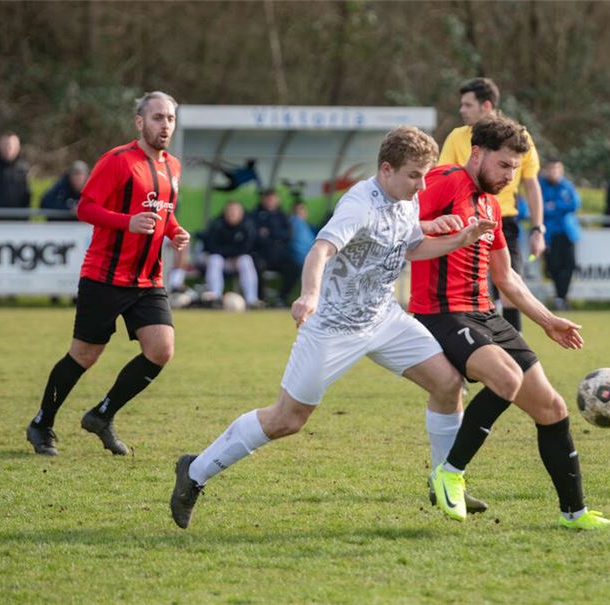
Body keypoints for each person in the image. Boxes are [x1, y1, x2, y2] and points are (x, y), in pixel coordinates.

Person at [168, 126, 497, 529]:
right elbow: (320, 250)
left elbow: (411, 247)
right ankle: (195, 471)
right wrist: (309, 295)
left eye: (425, 175)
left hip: (384, 319)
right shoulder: (359, 205)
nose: (422, 185)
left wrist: (460, 239)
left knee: (448, 384)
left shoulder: (407, 198)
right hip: (334, 327)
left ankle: (445, 482)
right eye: (414, 175)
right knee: (287, 419)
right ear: (386, 169)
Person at [411, 115, 610, 531]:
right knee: (506, 378)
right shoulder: (446, 181)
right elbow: (397, 222)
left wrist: (547, 321)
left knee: (553, 409)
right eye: (504, 166)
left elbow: (506, 277)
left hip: (483, 314)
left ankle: (575, 514)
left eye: (515, 168)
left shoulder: (491, 205)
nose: (510, 176)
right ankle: (448, 473)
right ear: (477, 153)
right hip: (441, 312)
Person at [25, 91, 190, 457]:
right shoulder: (118, 161)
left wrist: (175, 231)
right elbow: (85, 208)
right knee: (84, 355)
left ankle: (102, 415)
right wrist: (127, 222)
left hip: (148, 280)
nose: (165, 125)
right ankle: (41, 423)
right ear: (140, 122)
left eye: (170, 119)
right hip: (104, 276)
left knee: (161, 350)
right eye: (158, 118)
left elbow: (163, 213)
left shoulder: (173, 167)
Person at [438, 77, 544, 333]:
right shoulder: (457, 137)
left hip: (504, 221)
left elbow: (531, 184)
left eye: (467, 105)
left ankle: (513, 344)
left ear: (486, 106)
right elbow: (444, 179)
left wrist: (538, 229)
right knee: (469, 290)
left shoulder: (520, 139)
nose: (461, 110)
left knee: (510, 287)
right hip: (466, 223)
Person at [538, 158, 581, 311]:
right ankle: (559, 297)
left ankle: (562, 298)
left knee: (569, 266)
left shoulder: (567, 186)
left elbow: (574, 204)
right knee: (553, 267)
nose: (554, 172)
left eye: (556, 169)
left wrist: (554, 206)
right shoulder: (540, 186)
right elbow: (540, 207)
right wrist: (559, 206)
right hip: (549, 234)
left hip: (567, 232)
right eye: (551, 169)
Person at [200, 201, 261, 307]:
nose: (232, 214)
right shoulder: (217, 225)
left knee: (246, 260)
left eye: (235, 211)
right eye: (230, 211)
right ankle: (215, 298)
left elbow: (249, 247)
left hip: (237, 261)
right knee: (215, 260)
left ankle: (251, 300)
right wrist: (230, 255)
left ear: (241, 213)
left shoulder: (248, 226)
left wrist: (236, 256)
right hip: (221, 260)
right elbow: (212, 247)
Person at [250, 188, 296, 306]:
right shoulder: (255, 215)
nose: (270, 201)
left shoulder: (282, 216)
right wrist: (275, 236)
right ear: (263, 200)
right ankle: (261, 299)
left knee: (294, 267)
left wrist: (270, 233)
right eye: (268, 199)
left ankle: (281, 298)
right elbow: (255, 236)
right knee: (255, 267)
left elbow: (288, 235)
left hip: (279, 255)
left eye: (273, 198)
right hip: (261, 254)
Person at [0, 132, 31, 216]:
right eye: (6, 145)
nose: (9, 148)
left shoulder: (23, 170)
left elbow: (27, 199)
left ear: (18, 147)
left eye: (12, 145)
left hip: (18, 221)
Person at [287, 200, 316, 269]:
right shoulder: (296, 222)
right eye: (301, 209)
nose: (304, 211)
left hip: (309, 258)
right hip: (303, 260)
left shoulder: (305, 224)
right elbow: (300, 246)